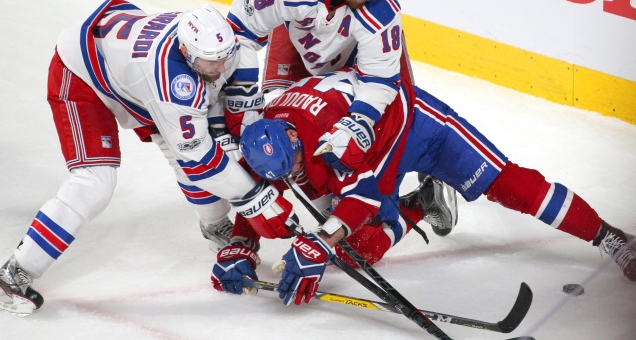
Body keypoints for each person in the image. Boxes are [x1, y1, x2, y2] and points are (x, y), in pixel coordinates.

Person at [210, 70, 636, 306]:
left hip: (415, 125)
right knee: (355, 252)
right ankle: (422, 202)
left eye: (296, 164)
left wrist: (317, 241)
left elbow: (362, 196)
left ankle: (611, 235)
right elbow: (251, 194)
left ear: (295, 139)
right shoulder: (261, 140)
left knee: (509, 184)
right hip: (373, 152)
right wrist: (241, 245)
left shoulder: (328, 137)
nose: (291, 176)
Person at [0, 0, 300, 316]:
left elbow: (233, 76)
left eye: (224, 57)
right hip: (84, 74)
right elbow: (201, 159)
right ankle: (15, 274)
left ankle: (215, 226)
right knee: (95, 184)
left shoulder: (224, 45)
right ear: (186, 52)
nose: (221, 67)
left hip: (129, 66)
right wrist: (256, 198)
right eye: (212, 62)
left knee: (195, 147)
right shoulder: (173, 85)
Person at [227, 0, 416, 177]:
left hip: (356, 57)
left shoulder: (382, 10)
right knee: (281, 116)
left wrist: (357, 123)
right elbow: (240, 31)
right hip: (299, 41)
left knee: (401, 114)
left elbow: (380, 78)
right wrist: (243, 106)